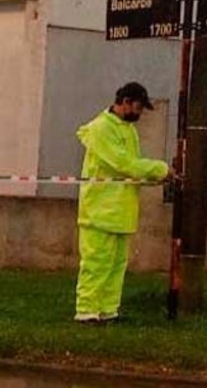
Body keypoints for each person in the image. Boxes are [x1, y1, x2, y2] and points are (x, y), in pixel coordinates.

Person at [74, 82, 172, 323]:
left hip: (121, 210)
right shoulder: (101, 129)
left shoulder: (127, 130)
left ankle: (108, 310)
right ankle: (86, 311)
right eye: (138, 107)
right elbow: (123, 163)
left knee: (117, 265)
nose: (140, 114)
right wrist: (160, 169)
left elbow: (131, 169)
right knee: (96, 264)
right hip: (100, 211)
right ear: (126, 102)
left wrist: (153, 175)